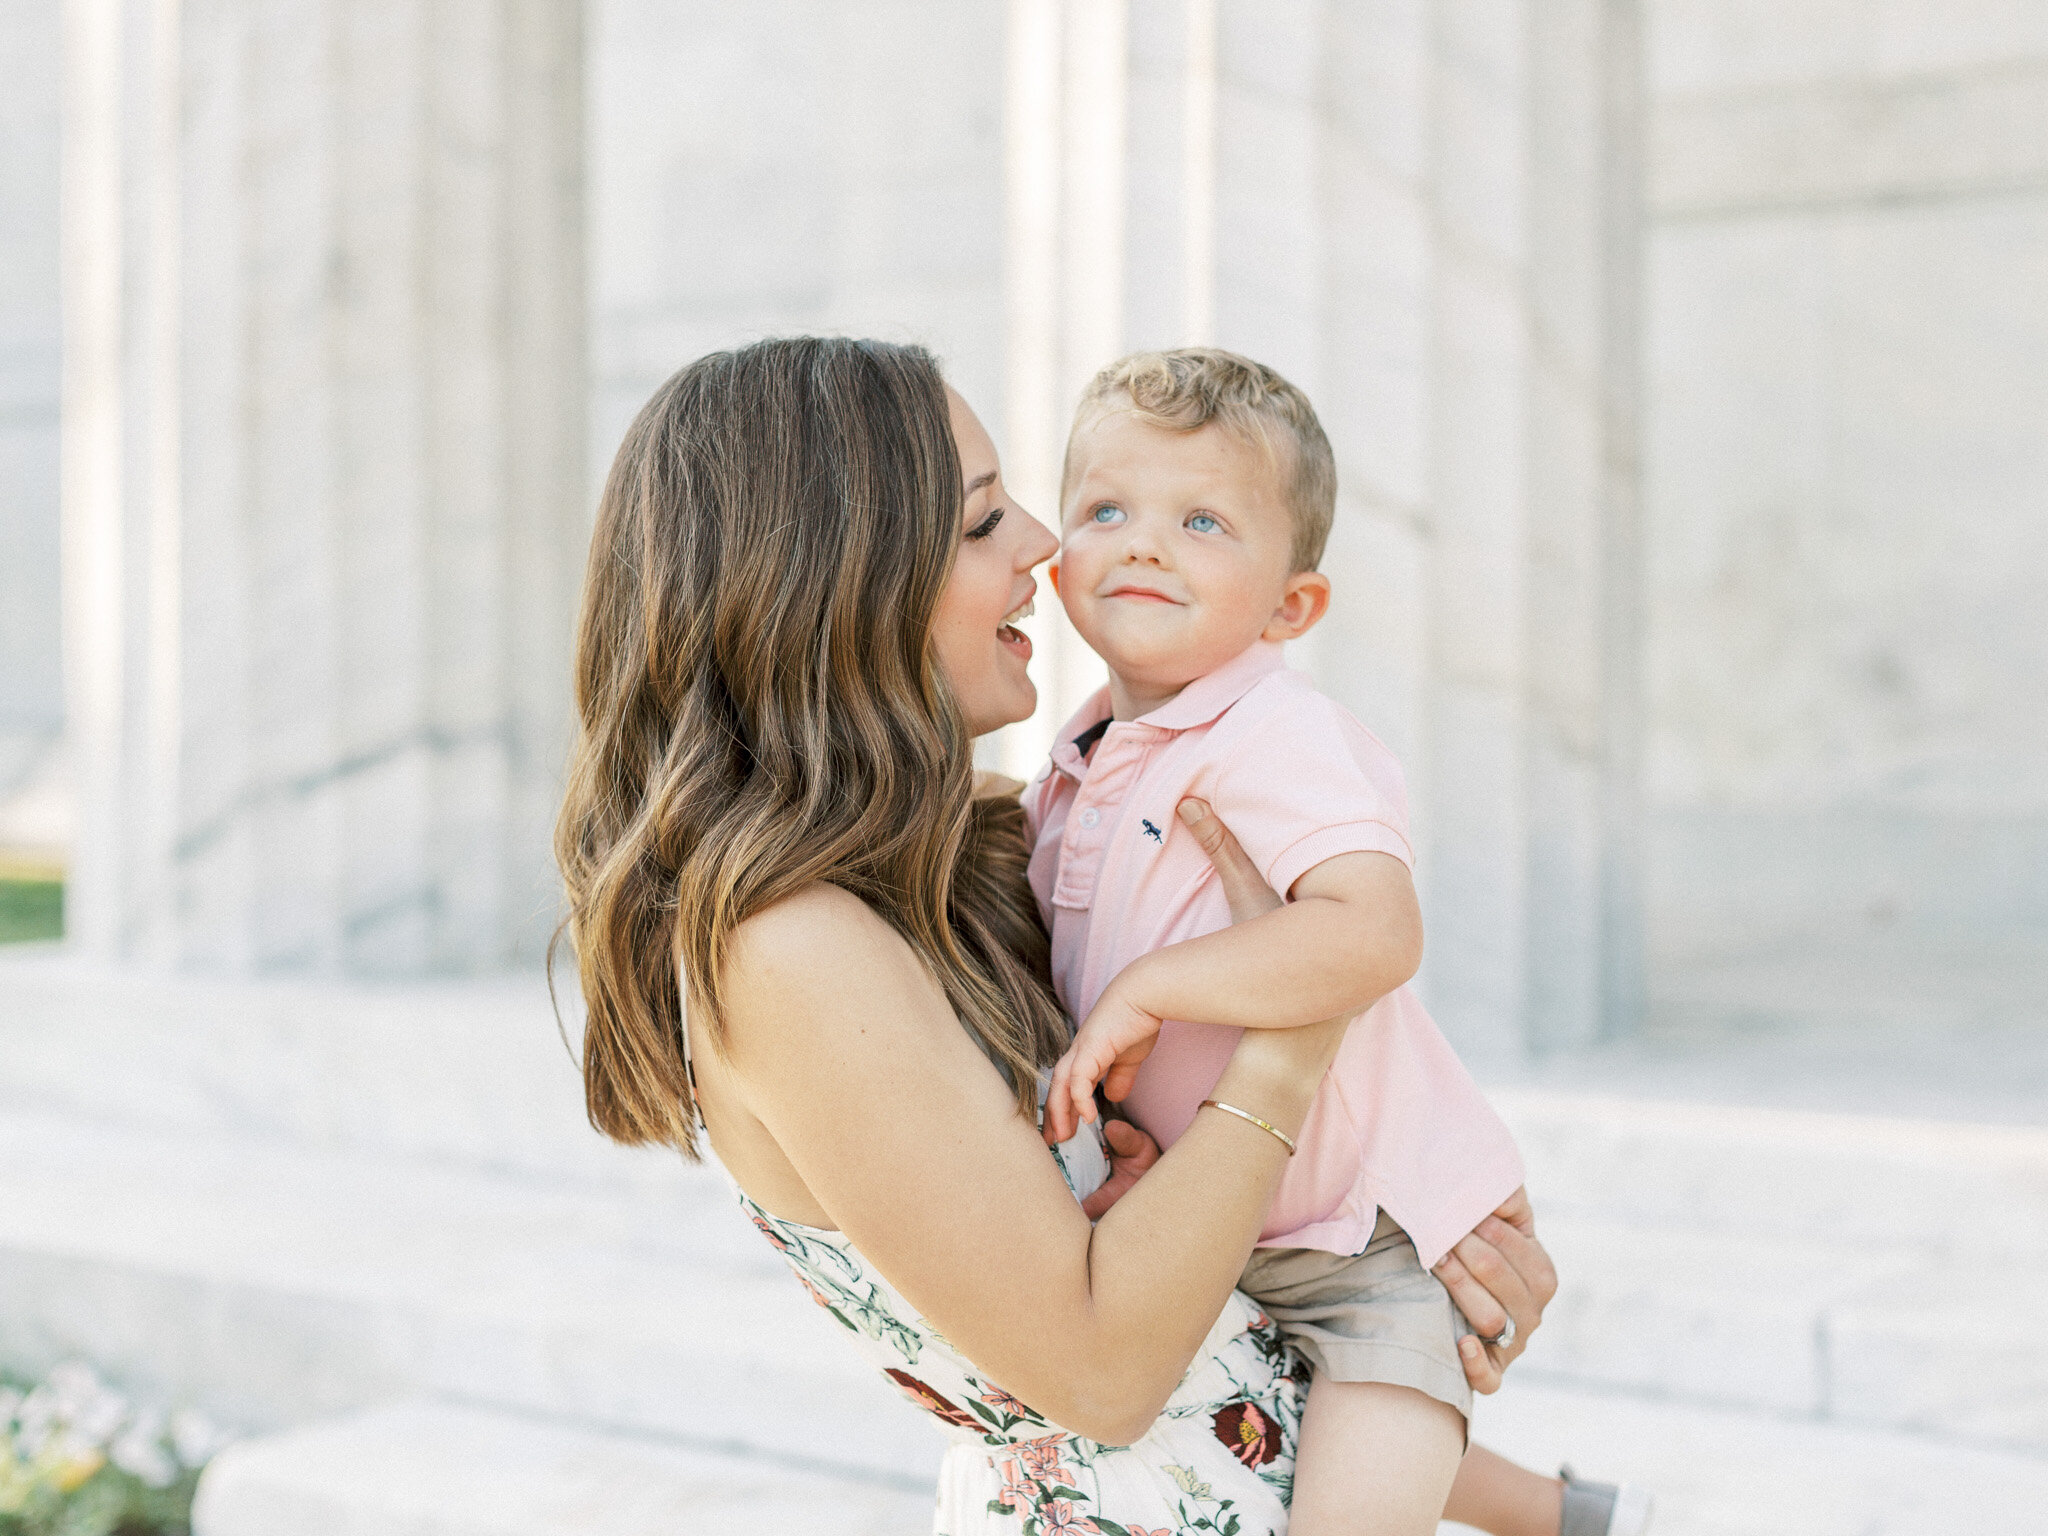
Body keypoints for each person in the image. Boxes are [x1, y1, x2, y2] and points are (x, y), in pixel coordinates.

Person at [554, 336, 1572, 1534]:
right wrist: (1287, 1045)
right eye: (985, 523)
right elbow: (1103, 1377)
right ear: (840, 583)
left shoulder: (997, 839)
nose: (1046, 542)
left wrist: (1416, 1244)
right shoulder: (786, 948)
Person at [1031, 349, 1651, 1535]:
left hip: (1369, 1242)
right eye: (1106, 510)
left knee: (1358, 1466)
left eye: (1201, 519)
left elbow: (1374, 929)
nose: (1144, 542)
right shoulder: (1079, 763)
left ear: (1290, 607)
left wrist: (1156, 988)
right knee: (1298, 1419)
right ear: (1058, 566)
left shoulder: (1276, 735)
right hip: (1213, 1225)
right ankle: (1574, 1519)